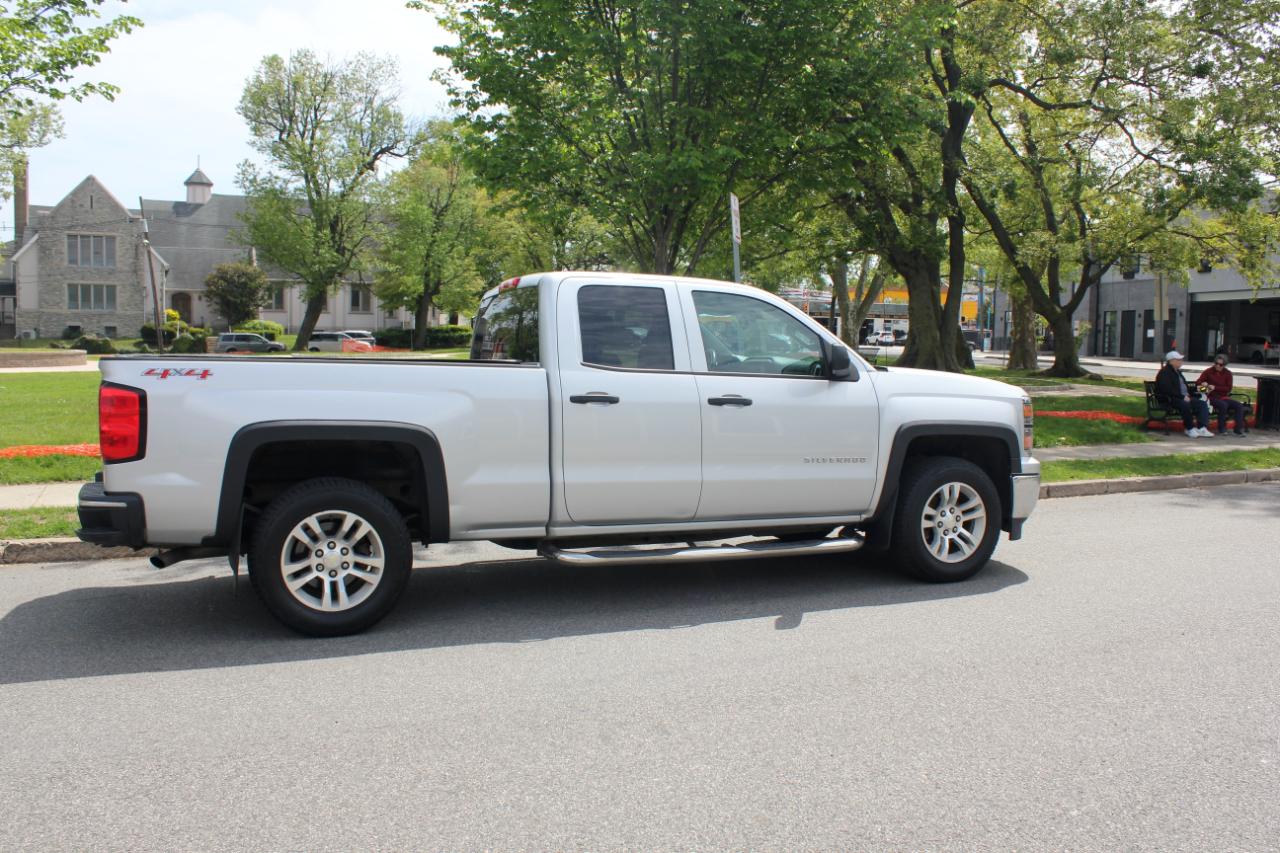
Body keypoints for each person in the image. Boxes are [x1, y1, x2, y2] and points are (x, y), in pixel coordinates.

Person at [1154, 350, 1212, 437]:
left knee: (1201, 404)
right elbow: (1167, 389)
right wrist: (1182, 397)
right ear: (1172, 361)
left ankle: (1202, 428)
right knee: (1185, 405)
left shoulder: (1178, 372)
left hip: (1183, 397)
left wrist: (1204, 389)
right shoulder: (1164, 373)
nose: (1181, 361)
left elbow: (1187, 388)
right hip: (1170, 399)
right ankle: (1189, 428)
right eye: (1178, 359)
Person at [1196, 354, 1248, 436]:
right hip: (1211, 396)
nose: (1217, 366)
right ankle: (1222, 428)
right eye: (1216, 363)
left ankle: (1238, 429)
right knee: (1223, 405)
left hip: (1223, 396)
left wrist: (1215, 387)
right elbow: (1198, 385)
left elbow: (1228, 388)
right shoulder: (1208, 371)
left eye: (1220, 365)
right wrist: (1203, 384)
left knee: (1239, 406)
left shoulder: (1227, 374)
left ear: (1224, 365)